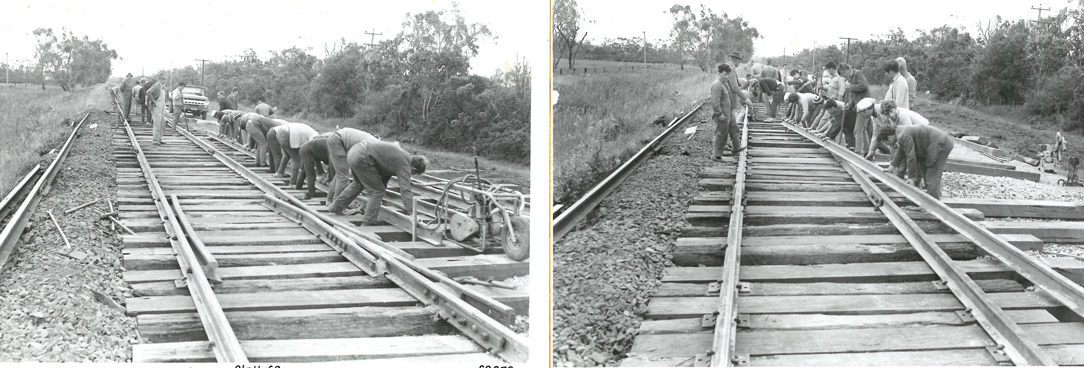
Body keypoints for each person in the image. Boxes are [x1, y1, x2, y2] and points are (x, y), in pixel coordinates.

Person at [329, 140, 427, 226]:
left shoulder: (401, 156)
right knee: (377, 191)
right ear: (413, 168)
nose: (409, 175)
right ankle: (368, 222)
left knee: (358, 184)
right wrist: (412, 213)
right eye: (412, 173)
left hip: (354, 152)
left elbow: (384, 176)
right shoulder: (404, 163)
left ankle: (336, 207)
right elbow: (405, 189)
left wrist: (376, 201)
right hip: (362, 156)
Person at [882, 124, 954, 199]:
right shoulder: (900, 132)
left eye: (885, 142)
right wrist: (891, 168)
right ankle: (933, 194)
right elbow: (901, 151)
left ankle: (933, 202)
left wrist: (911, 177)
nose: (886, 144)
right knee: (924, 169)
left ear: (889, 138)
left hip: (941, 143)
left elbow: (911, 156)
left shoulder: (903, 135)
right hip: (934, 144)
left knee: (933, 174)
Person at [326, 127, 380, 212]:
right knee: (343, 176)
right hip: (338, 141)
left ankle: (330, 202)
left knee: (340, 173)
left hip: (336, 139)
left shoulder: (374, 143)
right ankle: (337, 206)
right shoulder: (375, 146)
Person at [866, 100, 930, 161]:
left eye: (891, 111)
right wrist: (872, 150)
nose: (890, 115)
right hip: (916, 132)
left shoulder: (903, 115)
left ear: (895, 108)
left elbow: (910, 133)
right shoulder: (891, 118)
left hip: (924, 132)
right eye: (888, 114)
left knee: (917, 153)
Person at [296, 132, 336, 200]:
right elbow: (332, 164)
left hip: (307, 149)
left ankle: (298, 187)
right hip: (307, 151)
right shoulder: (333, 147)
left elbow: (331, 164)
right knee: (310, 173)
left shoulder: (334, 145)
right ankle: (312, 193)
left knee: (304, 171)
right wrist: (332, 179)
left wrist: (329, 176)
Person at [710, 63, 736, 159]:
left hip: (726, 114)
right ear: (719, 73)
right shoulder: (717, 85)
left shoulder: (724, 84)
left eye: (728, 74)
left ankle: (719, 153)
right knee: (721, 134)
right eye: (725, 74)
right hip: (722, 115)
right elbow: (714, 102)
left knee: (724, 134)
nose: (727, 76)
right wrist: (719, 113)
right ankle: (716, 156)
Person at [726, 51, 753, 133]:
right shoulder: (731, 69)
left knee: (731, 116)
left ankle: (732, 133)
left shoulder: (728, 67)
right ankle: (734, 132)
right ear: (736, 60)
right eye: (739, 61)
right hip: (730, 96)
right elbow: (734, 86)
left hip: (728, 95)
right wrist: (745, 99)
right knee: (740, 112)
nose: (740, 63)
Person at [146, 77, 165, 144]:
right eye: (163, 79)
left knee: (162, 122)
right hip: (157, 105)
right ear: (159, 79)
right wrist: (153, 101)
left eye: (165, 79)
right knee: (157, 122)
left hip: (162, 105)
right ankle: (155, 140)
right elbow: (148, 92)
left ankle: (160, 138)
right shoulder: (156, 85)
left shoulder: (163, 87)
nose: (164, 80)